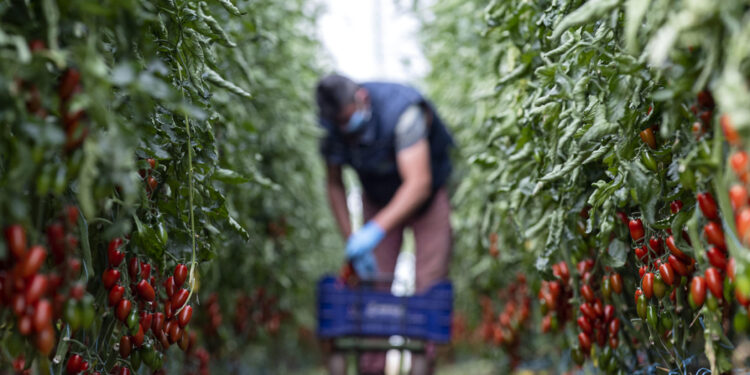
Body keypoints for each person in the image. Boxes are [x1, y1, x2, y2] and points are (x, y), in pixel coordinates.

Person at [315, 74, 454, 375]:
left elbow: (418, 184)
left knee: (427, 291)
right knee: (374, 291)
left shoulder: (404, 113)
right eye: (338, 124)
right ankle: (372, 369)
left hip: (427, 199)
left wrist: (374, 231)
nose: (344, 129)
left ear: (361, 98)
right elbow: (335, 184)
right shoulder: (333, 128)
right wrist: (353, 239)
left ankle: (421, 368)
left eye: (347, 120)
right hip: (377, 198)